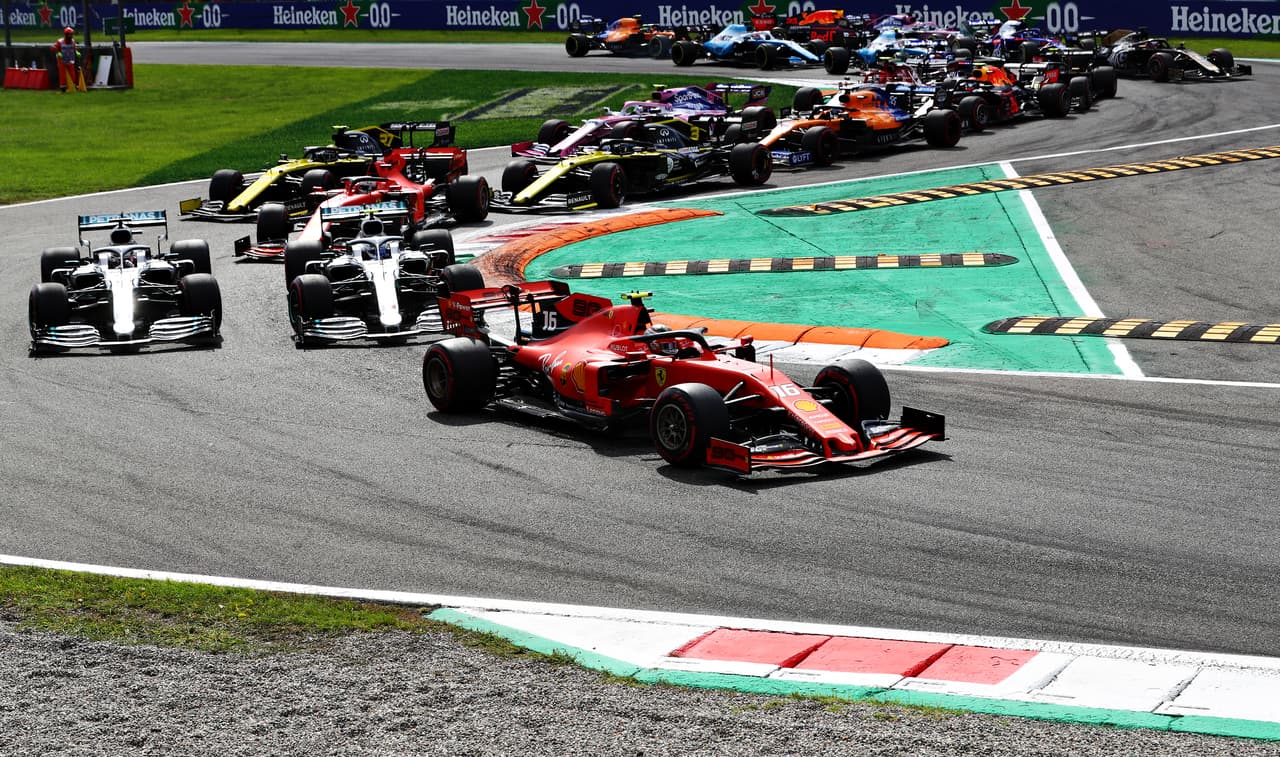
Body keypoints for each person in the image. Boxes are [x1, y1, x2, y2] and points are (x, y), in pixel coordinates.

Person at [52, 27, 85, 93]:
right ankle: (63, 88)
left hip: (70, 60)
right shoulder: (60, 41)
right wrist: (58, 52)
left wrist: (77, 52)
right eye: (69, 34)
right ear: (66, 34)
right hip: (62, 60)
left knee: (72, 73)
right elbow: (53, 47)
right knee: (63, 74)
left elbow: (74, 48)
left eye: (71, 34)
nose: (71, 36)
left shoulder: (72, 41)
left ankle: (72, 86)